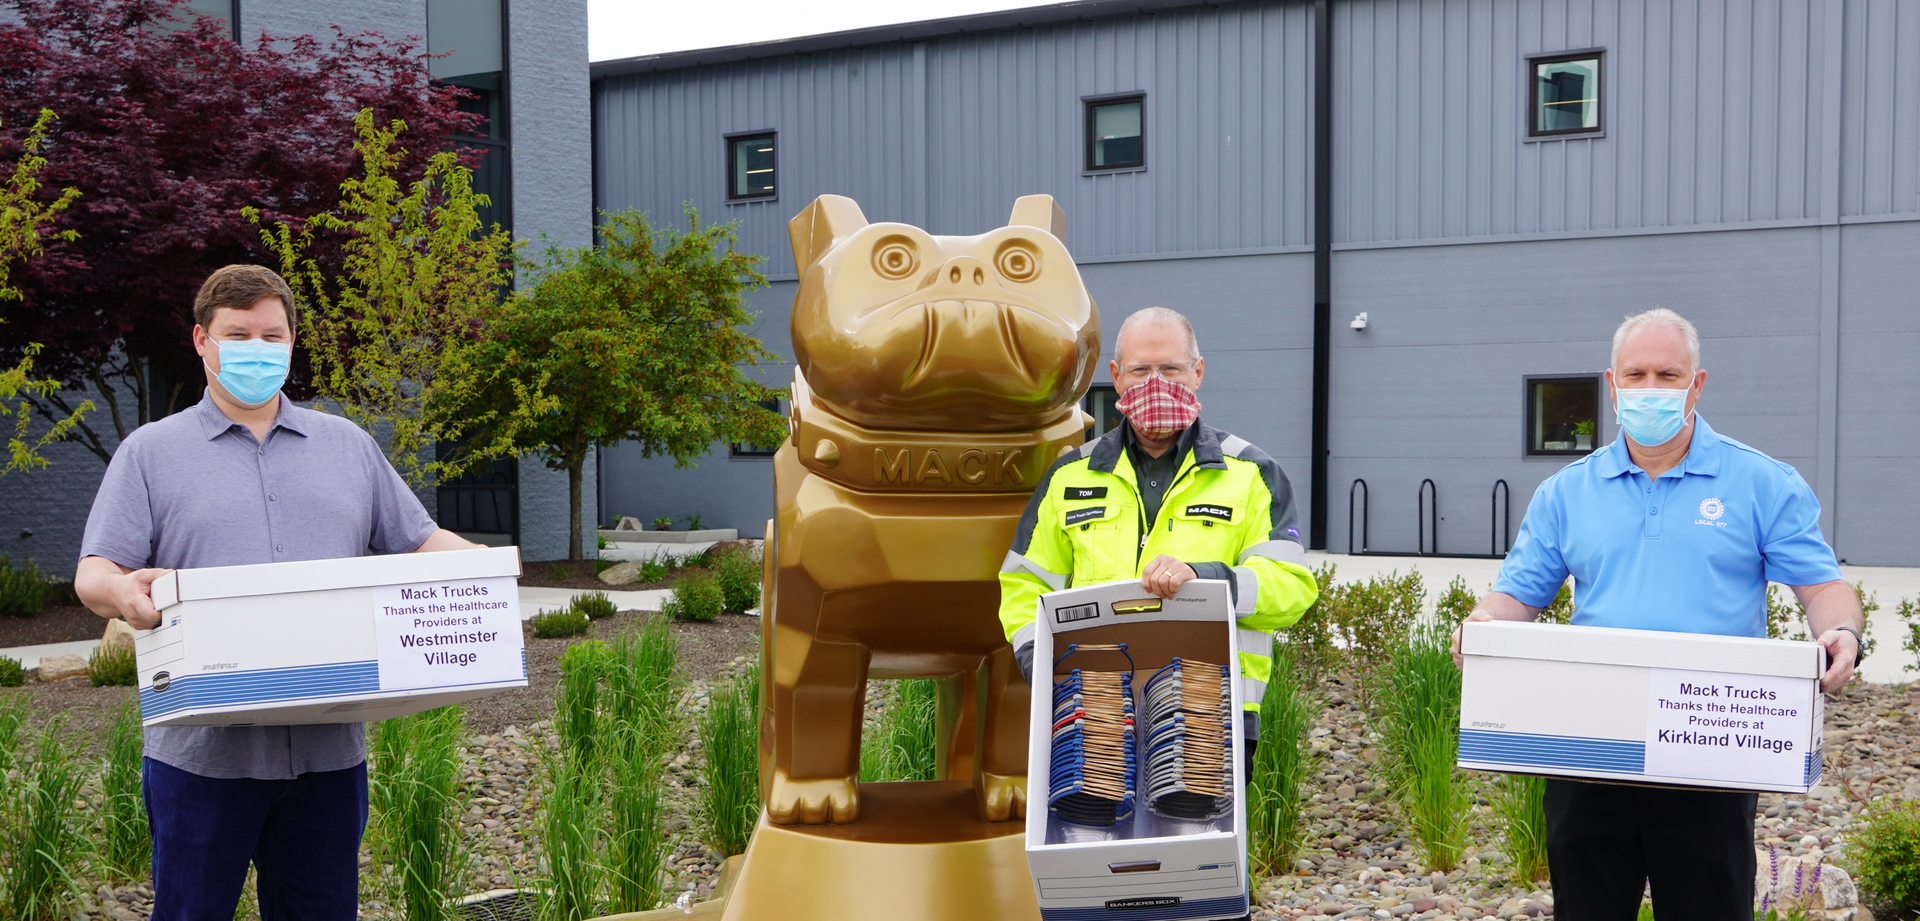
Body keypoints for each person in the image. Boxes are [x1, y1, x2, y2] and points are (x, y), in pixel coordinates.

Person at [74, 265, 483, 921]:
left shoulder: (346, 446)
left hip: (326, 759)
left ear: (292, 342)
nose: (256, 350)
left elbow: (420, 539)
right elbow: (93, 570)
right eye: (238, 335)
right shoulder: (150, 453)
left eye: (272, 335)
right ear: (202, 340)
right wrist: (122, 590)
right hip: (201, 757)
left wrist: (489, 570)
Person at [1450, 308, 1864, 921]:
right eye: (1634, 374)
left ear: (1696, 384)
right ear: (1611, 386)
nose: (1650, 388)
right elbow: (1516, 596)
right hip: (1587, 750)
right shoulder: (1567, 491)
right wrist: (1482, 623)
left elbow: (1822, 586)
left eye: (1667, 374)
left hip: (1709, 746)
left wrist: (1842, 631)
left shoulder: (1762, 483)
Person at [998, 306, 1321, 775]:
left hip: (1210, 712)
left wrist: (1206, 579)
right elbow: (1024, 583)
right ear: (1116, 376)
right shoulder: (1070, 476)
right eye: (1140, 370)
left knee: (1201, 848)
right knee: (1092, 843)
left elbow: (1290, 588)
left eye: (1170, 368)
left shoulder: (1253, 475)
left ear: (1198, 372)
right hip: (1092, 713)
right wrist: (1043, 664)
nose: (1156, 383)